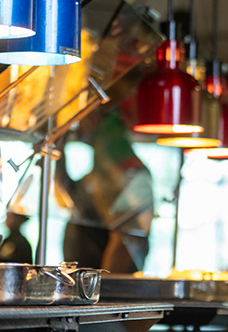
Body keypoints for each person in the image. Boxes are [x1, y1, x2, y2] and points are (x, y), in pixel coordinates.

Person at [54, 109, 154, 273]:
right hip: (86, 284)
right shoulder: (99, 174)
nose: (76, 128)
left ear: (95, 118)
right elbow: (72, 196)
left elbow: (125, 241)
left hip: (103, 287)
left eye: (81, 120)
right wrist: (59, 153)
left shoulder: (131, 173)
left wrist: (102, 288)